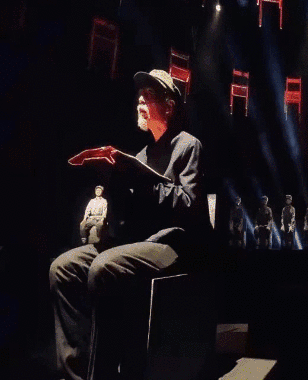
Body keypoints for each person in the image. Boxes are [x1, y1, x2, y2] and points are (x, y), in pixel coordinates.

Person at [50, 69, 206, 380]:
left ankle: (103, 373)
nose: (139, 101)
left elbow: (189, 203)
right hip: (138, 240)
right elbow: (133, 212)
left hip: (173, 243)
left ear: (169, 106)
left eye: (148, 96)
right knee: (62, 268)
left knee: (104, 267)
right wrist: (114, 182)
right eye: (139, 96)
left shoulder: (189, 146)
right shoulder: (142, 154)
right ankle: (74, 373)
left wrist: (144, 182)